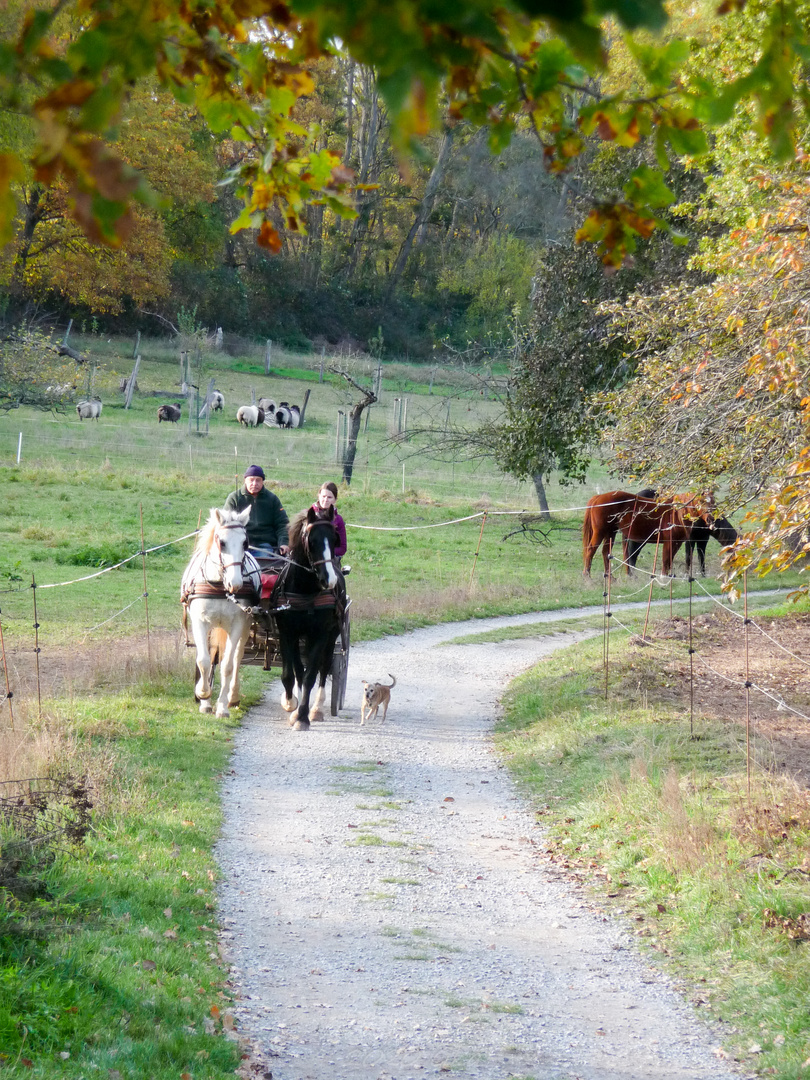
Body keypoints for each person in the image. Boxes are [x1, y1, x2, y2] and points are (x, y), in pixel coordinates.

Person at [224, 465, 289, 558]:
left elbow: (282, 524)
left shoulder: (272, 499)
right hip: (240, 544)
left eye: (258, 480)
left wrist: (284, 543)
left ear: (263, 481)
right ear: (245, 480)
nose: (254, 483)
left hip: (264, 546)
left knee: (264, 569)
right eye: (251, 480)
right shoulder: (234, 498)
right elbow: (225, 523)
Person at [311, 481, 347, 560]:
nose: (326, 500)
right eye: (323, 496)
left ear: (335, 500)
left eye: (329, 497)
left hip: (330, 560)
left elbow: (342, 548)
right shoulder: (309, 515)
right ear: (319, 496)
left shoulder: (338, 520)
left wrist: (325, 551)